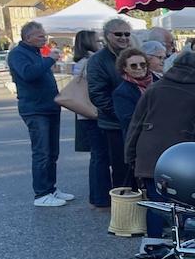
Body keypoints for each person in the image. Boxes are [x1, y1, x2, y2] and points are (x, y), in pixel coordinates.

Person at [125, 51, 195, 239]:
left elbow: (135, 125)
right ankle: (188, 245)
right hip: (183, 162)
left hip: (149, 156)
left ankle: (153, 246)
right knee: (187, 206)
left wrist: (130, 156)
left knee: (156, 205)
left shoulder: (154, 88)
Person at [8, 21, 72, 208]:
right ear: (28, 38)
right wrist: (50, 60)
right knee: (42, 152)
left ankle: (50, 188)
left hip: (49, 107)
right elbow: (28, 74)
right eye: (40, 36)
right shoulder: (17, 54)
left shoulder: (36, 53)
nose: (44, 38)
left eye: (44, 35)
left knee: (52, 152)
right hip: (35, 109)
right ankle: (41, 193)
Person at [86, 17, 135, 189]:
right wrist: (122, 114)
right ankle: (124, 208)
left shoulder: (132, 55)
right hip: (114, 124)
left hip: (134, 122)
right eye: (118, 34)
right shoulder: (98, 60)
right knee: (121, 168)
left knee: (133, 167)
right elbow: (97, 95)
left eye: (127, 34)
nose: (123, 37)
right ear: (107, 36)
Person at [69, 30, 109, 206]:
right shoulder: (91, 61)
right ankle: (101, 196)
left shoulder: (79, 62)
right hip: (92, 113)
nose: (100, 43)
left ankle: (97, 196)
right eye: (97, 40)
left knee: (96, 156)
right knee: (101, 156)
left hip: (84, 114)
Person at [112, 47, 156, 138]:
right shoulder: (121, 92)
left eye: (142, 64)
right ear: (125, 68)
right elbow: (129, 121)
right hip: (139, 138)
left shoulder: (158, 82)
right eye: (133, 65)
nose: (139, 68)